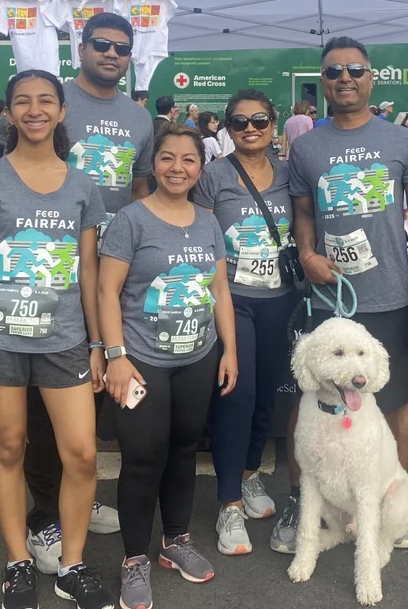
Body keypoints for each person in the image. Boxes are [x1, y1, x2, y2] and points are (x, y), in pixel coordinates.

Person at [0, 70, 113, 609]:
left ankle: (72, 565)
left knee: (82, 454)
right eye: (23, 101)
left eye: (46, 101)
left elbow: (88, 272)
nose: (35, 110)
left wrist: (98, 345)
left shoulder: (83, 186)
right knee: (8, 447)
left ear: (62, 111)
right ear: (9, 113)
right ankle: (18, 561)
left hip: (65, 342)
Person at [275, 35, 408, 553]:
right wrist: (307, 252)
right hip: (328, 301)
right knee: (310, 403)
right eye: (333, 72)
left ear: (371, 77)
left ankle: (393, 503)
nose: (343, 78)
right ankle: (304, 503)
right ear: (322, 82)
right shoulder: (306, 147)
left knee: (393, 402)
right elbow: (304, 213)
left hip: (391, 296)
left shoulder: (403, 142)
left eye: (353, 70)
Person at [24, 12, 151, 572]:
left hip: (110, 272)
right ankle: (44, 516)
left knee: (92, 390)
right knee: (42, 400)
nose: (112, 54)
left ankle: (78, 493)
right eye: (101, 44)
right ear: (82, 47)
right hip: (52, 268)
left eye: (122, 48)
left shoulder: (139, 117)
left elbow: (141, 189)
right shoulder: (55, 103)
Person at [97, 125, 238, 609]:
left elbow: (219, 290)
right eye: (167, 158)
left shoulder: (208, 222)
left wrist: (230, 351)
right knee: (142, 456)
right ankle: (134, 558)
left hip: (197, 356)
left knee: (183, 449)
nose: (177, 168)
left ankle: (175, 540)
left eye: (188, 160)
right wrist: (115, 356)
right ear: (153, 164)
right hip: (142, 361)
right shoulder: (130, 220)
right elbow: (106, 292)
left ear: (201, 167)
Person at [192, 89, 296, 556]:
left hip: (281, 297)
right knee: (238, 393)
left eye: (259, 120)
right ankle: (229, 501)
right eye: (239, 122)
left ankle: (250, 473)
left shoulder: (289, 173)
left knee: (267, 392)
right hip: (233, 299)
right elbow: (202, 239)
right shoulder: (213, 176)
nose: (250, 129)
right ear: (227, 128)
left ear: (274, 124)